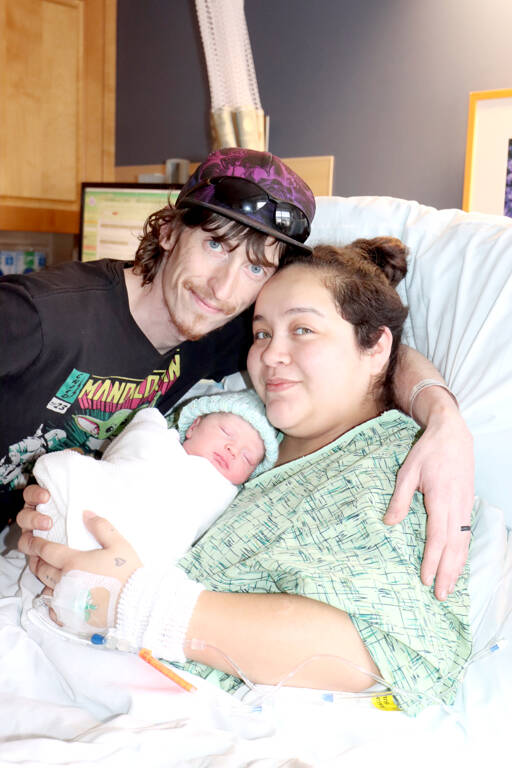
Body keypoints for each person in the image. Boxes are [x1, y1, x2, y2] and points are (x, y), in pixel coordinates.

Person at [18, 238, 473, 715]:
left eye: (302, 330)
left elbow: (382, 651)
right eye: (261, 334)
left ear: (377, 347)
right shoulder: (237, 421)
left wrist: (132, 598)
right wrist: (63, 516)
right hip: (64, 658)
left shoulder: (395, 462)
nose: (272, 355)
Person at [12, 148, 473, 599]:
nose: (224, 287)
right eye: (216, 244)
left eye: (255, 266)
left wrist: (445, 422)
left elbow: (370, 348)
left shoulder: (226, 332)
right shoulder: (36, 316)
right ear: (170, 230)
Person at [32, 389, 278, 565]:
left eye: (247, 458)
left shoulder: (224, 496)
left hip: (138, 559)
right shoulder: (158, 440)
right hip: (91, 510)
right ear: (193, 427)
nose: (233, 450)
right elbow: (131, 452)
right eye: (226, 432)